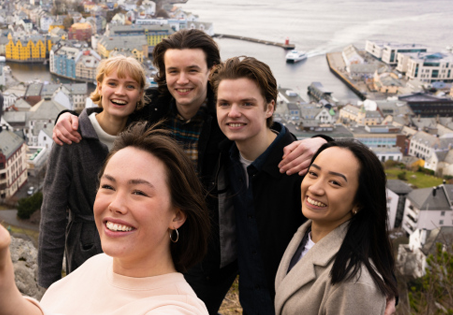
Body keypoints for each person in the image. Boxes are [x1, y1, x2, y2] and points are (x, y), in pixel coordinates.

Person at [52, 29, 327, 314]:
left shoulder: (223, 113)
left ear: (211, 71)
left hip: (208, 253)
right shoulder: (153, 108)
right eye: (173, 71)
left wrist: (323, 142)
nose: (181, 80)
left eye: (192, 70)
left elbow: (265, 129)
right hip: (154, 241)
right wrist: (69, 117)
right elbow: (112, 107)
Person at [0, 123, 212, 315]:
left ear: (177, 215)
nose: (115, 204)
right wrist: (2, 301)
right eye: (107, 186)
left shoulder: (172, 310)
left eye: (139, 192)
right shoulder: (97, 265)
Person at [38, 55, 148, 288]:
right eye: (112, 83)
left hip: (134, 250)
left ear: (139, 95)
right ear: (99, 87)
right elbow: (53, 212)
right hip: (85, 252)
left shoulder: (144, 140)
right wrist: (49, 282)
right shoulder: (71, 138)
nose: (120, 92)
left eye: (130, 86)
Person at [209, 56, 307, 314]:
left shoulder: (302, 166)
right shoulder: (222, 159)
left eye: (246, 103)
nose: (233, 113)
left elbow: (356, 220)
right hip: (252, 303)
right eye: (224, 103)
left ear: (269, 108)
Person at [274, 140, 398, 314]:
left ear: (359, 202)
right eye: (313, 174)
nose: (315, 188)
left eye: (335, 183)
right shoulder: (304, 235)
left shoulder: (354, 282)